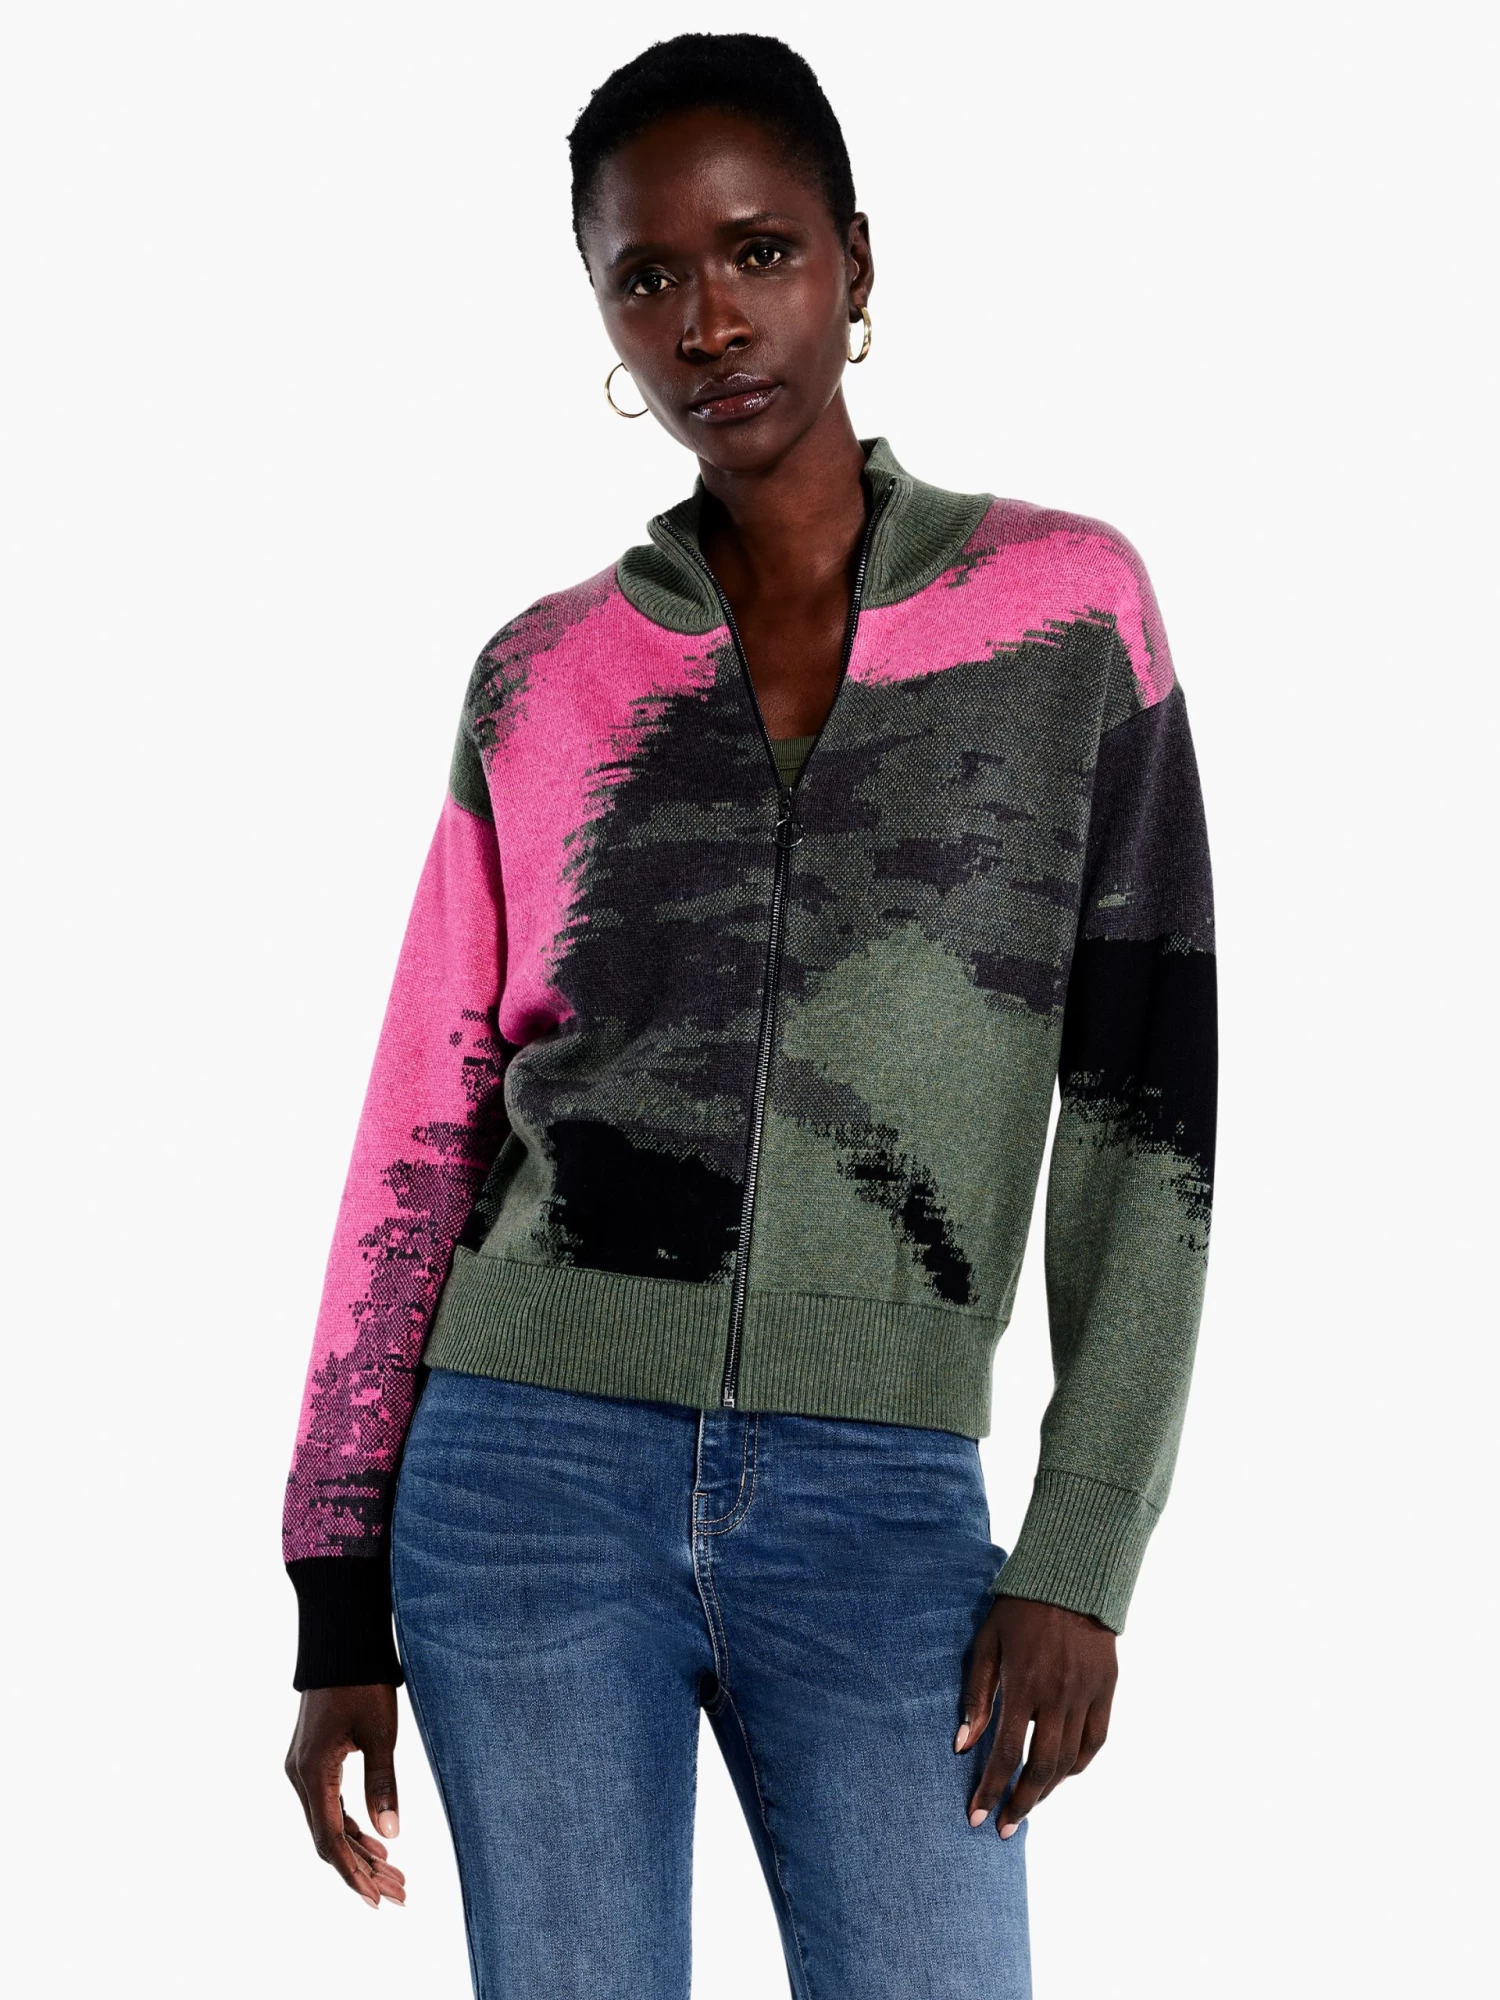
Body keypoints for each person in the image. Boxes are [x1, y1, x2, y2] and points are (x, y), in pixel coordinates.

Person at [282, 32, 1216, 1999]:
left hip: (882, 1501)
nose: (708, 320)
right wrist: (335, 1583)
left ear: (856, 262)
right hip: (522, 1482)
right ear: (605, 318)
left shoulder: (1066, 614)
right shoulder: (545, 673)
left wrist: (1082, 1546)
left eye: (760, 252)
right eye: (648, 277)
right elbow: (425, 1124)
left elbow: (1151, 1108)